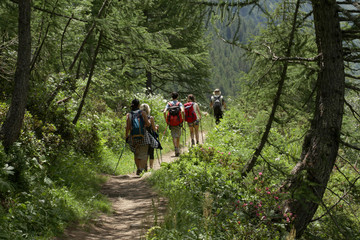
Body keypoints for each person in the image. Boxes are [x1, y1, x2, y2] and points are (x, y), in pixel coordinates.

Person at [125, 99, 153, 175]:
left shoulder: (129, 114)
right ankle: (141, 169)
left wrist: (126, 136)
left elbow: (127, 127)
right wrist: (147, 123)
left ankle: (138, 168)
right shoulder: (143, 113)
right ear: (138, 105)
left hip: (133, 136)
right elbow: (148, 124)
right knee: (144, 153)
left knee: (136, 153)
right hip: (143, 136)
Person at [163, 92, 184, 157]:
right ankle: (177, 148)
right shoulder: (179, 103)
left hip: (171, 122)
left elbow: (164, 112)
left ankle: (175, 147)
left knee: (173, 135)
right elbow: (182, 111)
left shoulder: (169, 104)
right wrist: (183, 119)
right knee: (178, 135)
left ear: (172, 97)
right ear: (177, 97)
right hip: (178, 122)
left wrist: (166, 120)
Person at [140, 103, 159, 170]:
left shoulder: (139, 118)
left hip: (142, 136)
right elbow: (154, 129)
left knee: (144, 152)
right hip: (150, 137)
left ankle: (145, 166)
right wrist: (156, 127)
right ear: (148, 110)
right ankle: (151, 167)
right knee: (151, 152)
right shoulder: (150, 118)